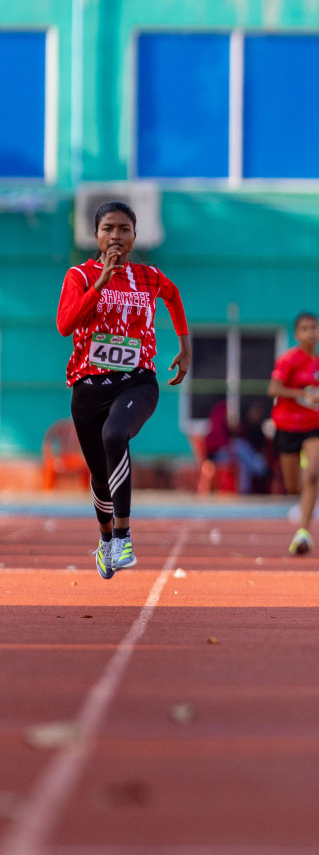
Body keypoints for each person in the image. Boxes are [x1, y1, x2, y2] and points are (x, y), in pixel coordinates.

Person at [56, 200, 189, 580]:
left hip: (137, 381)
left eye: (124, 229)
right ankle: (105, 540)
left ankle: (124, 535)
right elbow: (65, 324)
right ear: (96, 235)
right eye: (108, 228)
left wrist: (185, 344)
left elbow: (174, 295)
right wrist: (100, 283)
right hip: (88, 386)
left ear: (134, 235)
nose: (116, 235)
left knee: (116, 434)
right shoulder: (79, 275)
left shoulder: (149, 276)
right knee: (99, 476)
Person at [268, 313, 319, 555]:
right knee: (294, 486)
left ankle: (303, 531)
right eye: (305, 329)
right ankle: (302, 474)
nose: (310, 333)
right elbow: (273, 388)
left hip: (316, 424)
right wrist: (300, 394)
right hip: (288, 426)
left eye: (314, 328)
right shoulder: (288, 360)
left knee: (313, 475)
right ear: (297, 334)